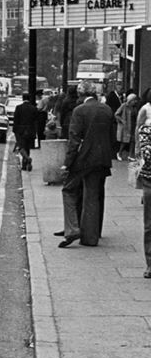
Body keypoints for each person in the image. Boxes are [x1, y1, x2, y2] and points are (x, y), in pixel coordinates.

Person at [56, 80, 115, 248]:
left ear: (81, 95)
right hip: (102, 158)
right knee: (93, 195)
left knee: (68, 190)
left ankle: (73, 229)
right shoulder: (107, 110)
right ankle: (91, 236)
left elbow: (74, 141)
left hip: (83, 159)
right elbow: (111, 137)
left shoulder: (79, 111)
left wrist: (66, 164)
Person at [134, 88, 151, 278]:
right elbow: (140, 148)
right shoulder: (145, 127)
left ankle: (150, 264)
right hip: (148, 176)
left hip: (148, 177)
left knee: (149, 224)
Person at [13, 93, 40, 171]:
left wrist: (15, 131)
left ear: (22, 98)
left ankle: (27, 159)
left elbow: (16, 120)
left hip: (21, 131)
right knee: (27, 148)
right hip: (30, 130)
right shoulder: (34, 108)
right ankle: (25, 165)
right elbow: (36, 121)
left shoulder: (19, 108)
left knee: (21, 147)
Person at [115, 93, 139, 162]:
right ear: (131, 100)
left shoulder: (134, 107)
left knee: (132, 141)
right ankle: (119, 153)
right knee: (125, 141)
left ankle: (130, 155)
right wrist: (122, 120)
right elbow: (116, 114)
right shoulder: (124, 106)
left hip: (133, 125)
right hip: (126, 126)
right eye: (134, 100)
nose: (135, 101)